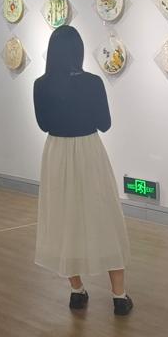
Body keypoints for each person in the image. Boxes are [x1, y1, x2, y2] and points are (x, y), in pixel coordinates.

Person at [32, 26, 132, 316]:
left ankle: (77, 291)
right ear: (79, 51)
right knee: (104, 215)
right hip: (88, 150)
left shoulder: (41, 84)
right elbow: (105, 124)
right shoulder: (92, 82)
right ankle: (119, 296)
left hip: (57, 152)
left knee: (64, 217)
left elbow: (43, 124)